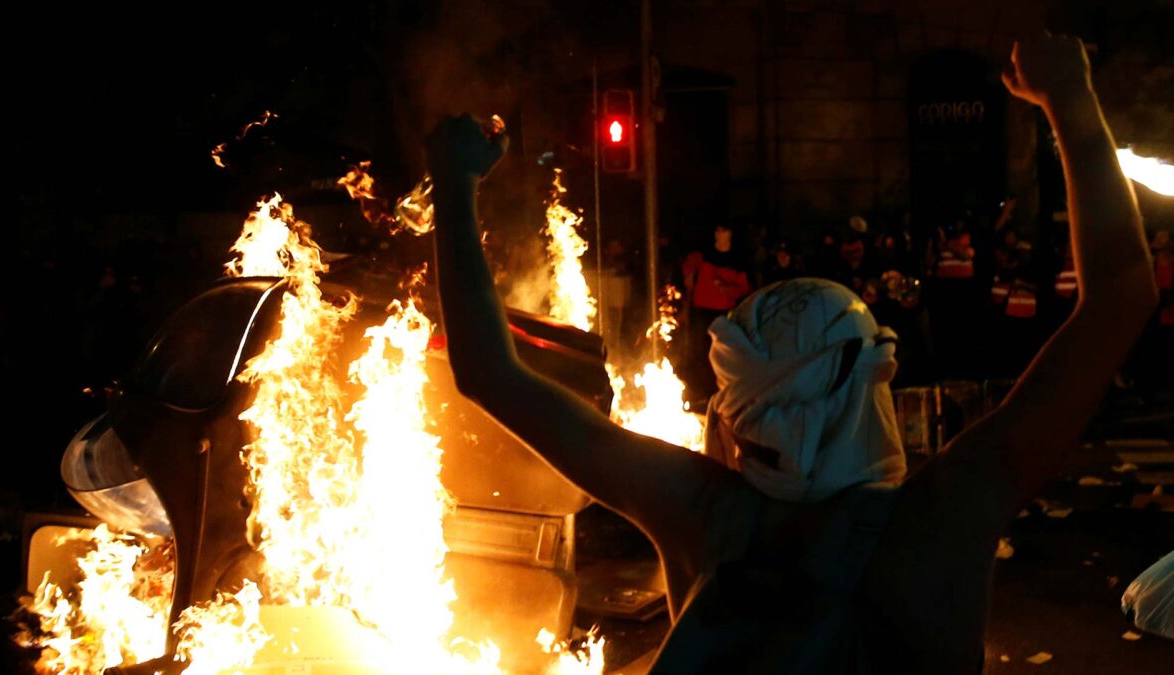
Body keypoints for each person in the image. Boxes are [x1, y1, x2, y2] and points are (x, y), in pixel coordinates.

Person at [426, 33, 1157, 673]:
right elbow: (1123, 293)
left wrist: (454, 186)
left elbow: (491, 374)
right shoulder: (945, 514)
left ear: (736, 409)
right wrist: (1069, 95)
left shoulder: (694, 509)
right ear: (872, 378)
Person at [680, 222, 752, 400]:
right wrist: (689, 274)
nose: (719, 234)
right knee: (699, 352)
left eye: (724, 230)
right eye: (717, 230)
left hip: (722, 313)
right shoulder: (704, 254)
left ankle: (719, 394)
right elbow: (689, 263)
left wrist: (728, 288)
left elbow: (744, 288)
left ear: (730, 234)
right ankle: (699, 393)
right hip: (701, 310)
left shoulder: (738, 259)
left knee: (720, 354)